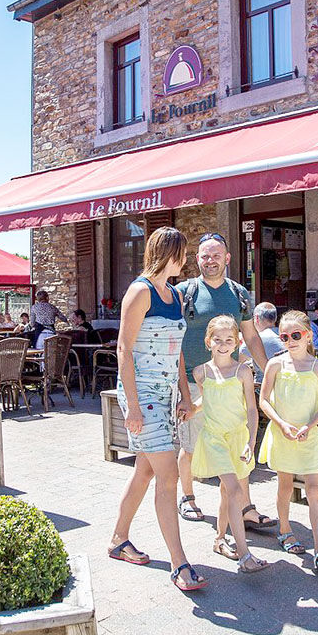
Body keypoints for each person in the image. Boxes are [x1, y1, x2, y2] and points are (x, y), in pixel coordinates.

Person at [106, 226, 206, 592]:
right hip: (141, 395)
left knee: (145, 471)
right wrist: (132, 406)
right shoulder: (140, 291)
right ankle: (179, 563)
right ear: (168, 254)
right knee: (169, 476)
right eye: (182, 253)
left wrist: (185, 395)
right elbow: (124, 349)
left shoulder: (175, 295)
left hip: (165, 395)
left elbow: (176, 351)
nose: (186, 259)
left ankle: (118, 540)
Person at [175, 233, 273, 532]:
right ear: (197, 259)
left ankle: (245, 507)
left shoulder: (238, 293)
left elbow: (251, 337)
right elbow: (173, 340)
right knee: (192, 443)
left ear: (227, 258)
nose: (210, 260)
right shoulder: (183, 292)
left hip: (229, 382)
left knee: (235, 442)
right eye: (205, 256)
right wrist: (183, 391)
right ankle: (188, 497)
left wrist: (267, 372)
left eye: (216, 255)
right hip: (193, 380)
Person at [190, 315, 269, 573]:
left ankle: (219, 539)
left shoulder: (243, 371)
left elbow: (252, 410)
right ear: (208, 341)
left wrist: (250, 441)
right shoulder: (201, 372)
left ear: (236, 343)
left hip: (238, 438)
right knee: (235, 491)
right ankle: (245, 555)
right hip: (214, 438)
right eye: (218, 339)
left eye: (228, 340)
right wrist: (190, 409)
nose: (223, 345)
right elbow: (207, 400)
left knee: (227, 492)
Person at [259, 310, 318, 568]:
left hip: (309, 435)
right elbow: (264, 400)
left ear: (308, 335)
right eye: (284, 336)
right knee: (285, 486)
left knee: (314, 489)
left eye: (296, 335)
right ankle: (285, 531)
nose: (290, 340)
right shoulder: (275, 364)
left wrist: (309, 426)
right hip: (283, 435)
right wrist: (281, 424)